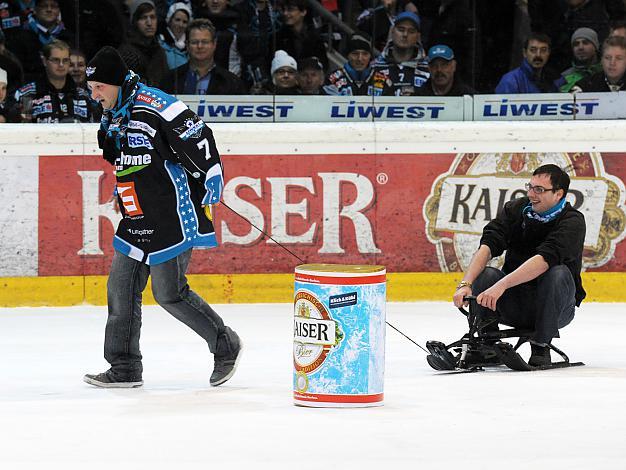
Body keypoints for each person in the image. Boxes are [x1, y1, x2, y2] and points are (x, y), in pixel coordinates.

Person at [82, 46, 242, 388]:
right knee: (120, 287)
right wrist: (122, 186)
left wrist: (212, 171)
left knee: (169, 292)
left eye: (98, 87)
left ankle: (225, 344)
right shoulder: (115, 111)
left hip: (173, 212)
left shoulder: (158, 104)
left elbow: (198, 136)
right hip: (137, 212)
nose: (94, 95)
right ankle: (124, 367)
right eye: (91, 88)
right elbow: (128, 155)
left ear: (116, 82)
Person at [453, 164, 586, 367]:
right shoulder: (516, 209)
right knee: (487, 274)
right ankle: (488, 344)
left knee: (557, 272)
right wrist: (465, 283)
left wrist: (501, 286)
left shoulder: (572, 221)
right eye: (530, 187)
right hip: (515, 304)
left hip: (556, 308)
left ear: (559, 194)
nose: (532, 194)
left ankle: (541, 345)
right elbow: (488, 245)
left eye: (539, 190)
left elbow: (543, 260)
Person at [14, 40, 98, 123]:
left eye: (65, 60)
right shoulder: (27, 94)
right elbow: (22, 130)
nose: (61, 65)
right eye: (56, 60)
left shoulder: (83, 96)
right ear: (44, 61)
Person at [161, 18, 246, 95]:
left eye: (205, 42)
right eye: (194, 42)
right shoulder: (171, 79)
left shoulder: (232, 82)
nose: (200, 46)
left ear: (214, 44)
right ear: (187, 45)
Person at [7, 0, 74, 83]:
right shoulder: (20, 37)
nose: (49, 9)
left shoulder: (68, 37)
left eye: (53, 6)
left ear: (59, 10)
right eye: (44, 6)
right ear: (35, 9)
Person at [372, 11, 430, 95]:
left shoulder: (428, 68)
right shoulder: (375, 66)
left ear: (418, 36)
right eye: (401, 29)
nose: (405, 34)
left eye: (411, 31)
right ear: (392, 31)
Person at [118, 0, 169, 87]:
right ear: (135, 21)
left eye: (152, 17)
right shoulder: (126, 52)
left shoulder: (160, 51)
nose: (149, 23)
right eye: (143, 18)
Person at [275, 0, 328, 72]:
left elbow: (323, 64)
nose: (285, 13)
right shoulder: (279, 36)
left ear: (303, 12)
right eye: (284, 10)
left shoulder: (314, 37)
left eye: (290, 10)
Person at [555, 27, 602, 92]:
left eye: (585, 43)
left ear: (596, 47)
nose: (580, 47)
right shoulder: (564, 78)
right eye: (576, 44)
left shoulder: (609, 73)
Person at [159, 2, 193, 70]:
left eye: (185, 22)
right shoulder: (159, 44)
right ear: (169, 20)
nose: (181, 25)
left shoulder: (191, 48)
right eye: (177, 20)